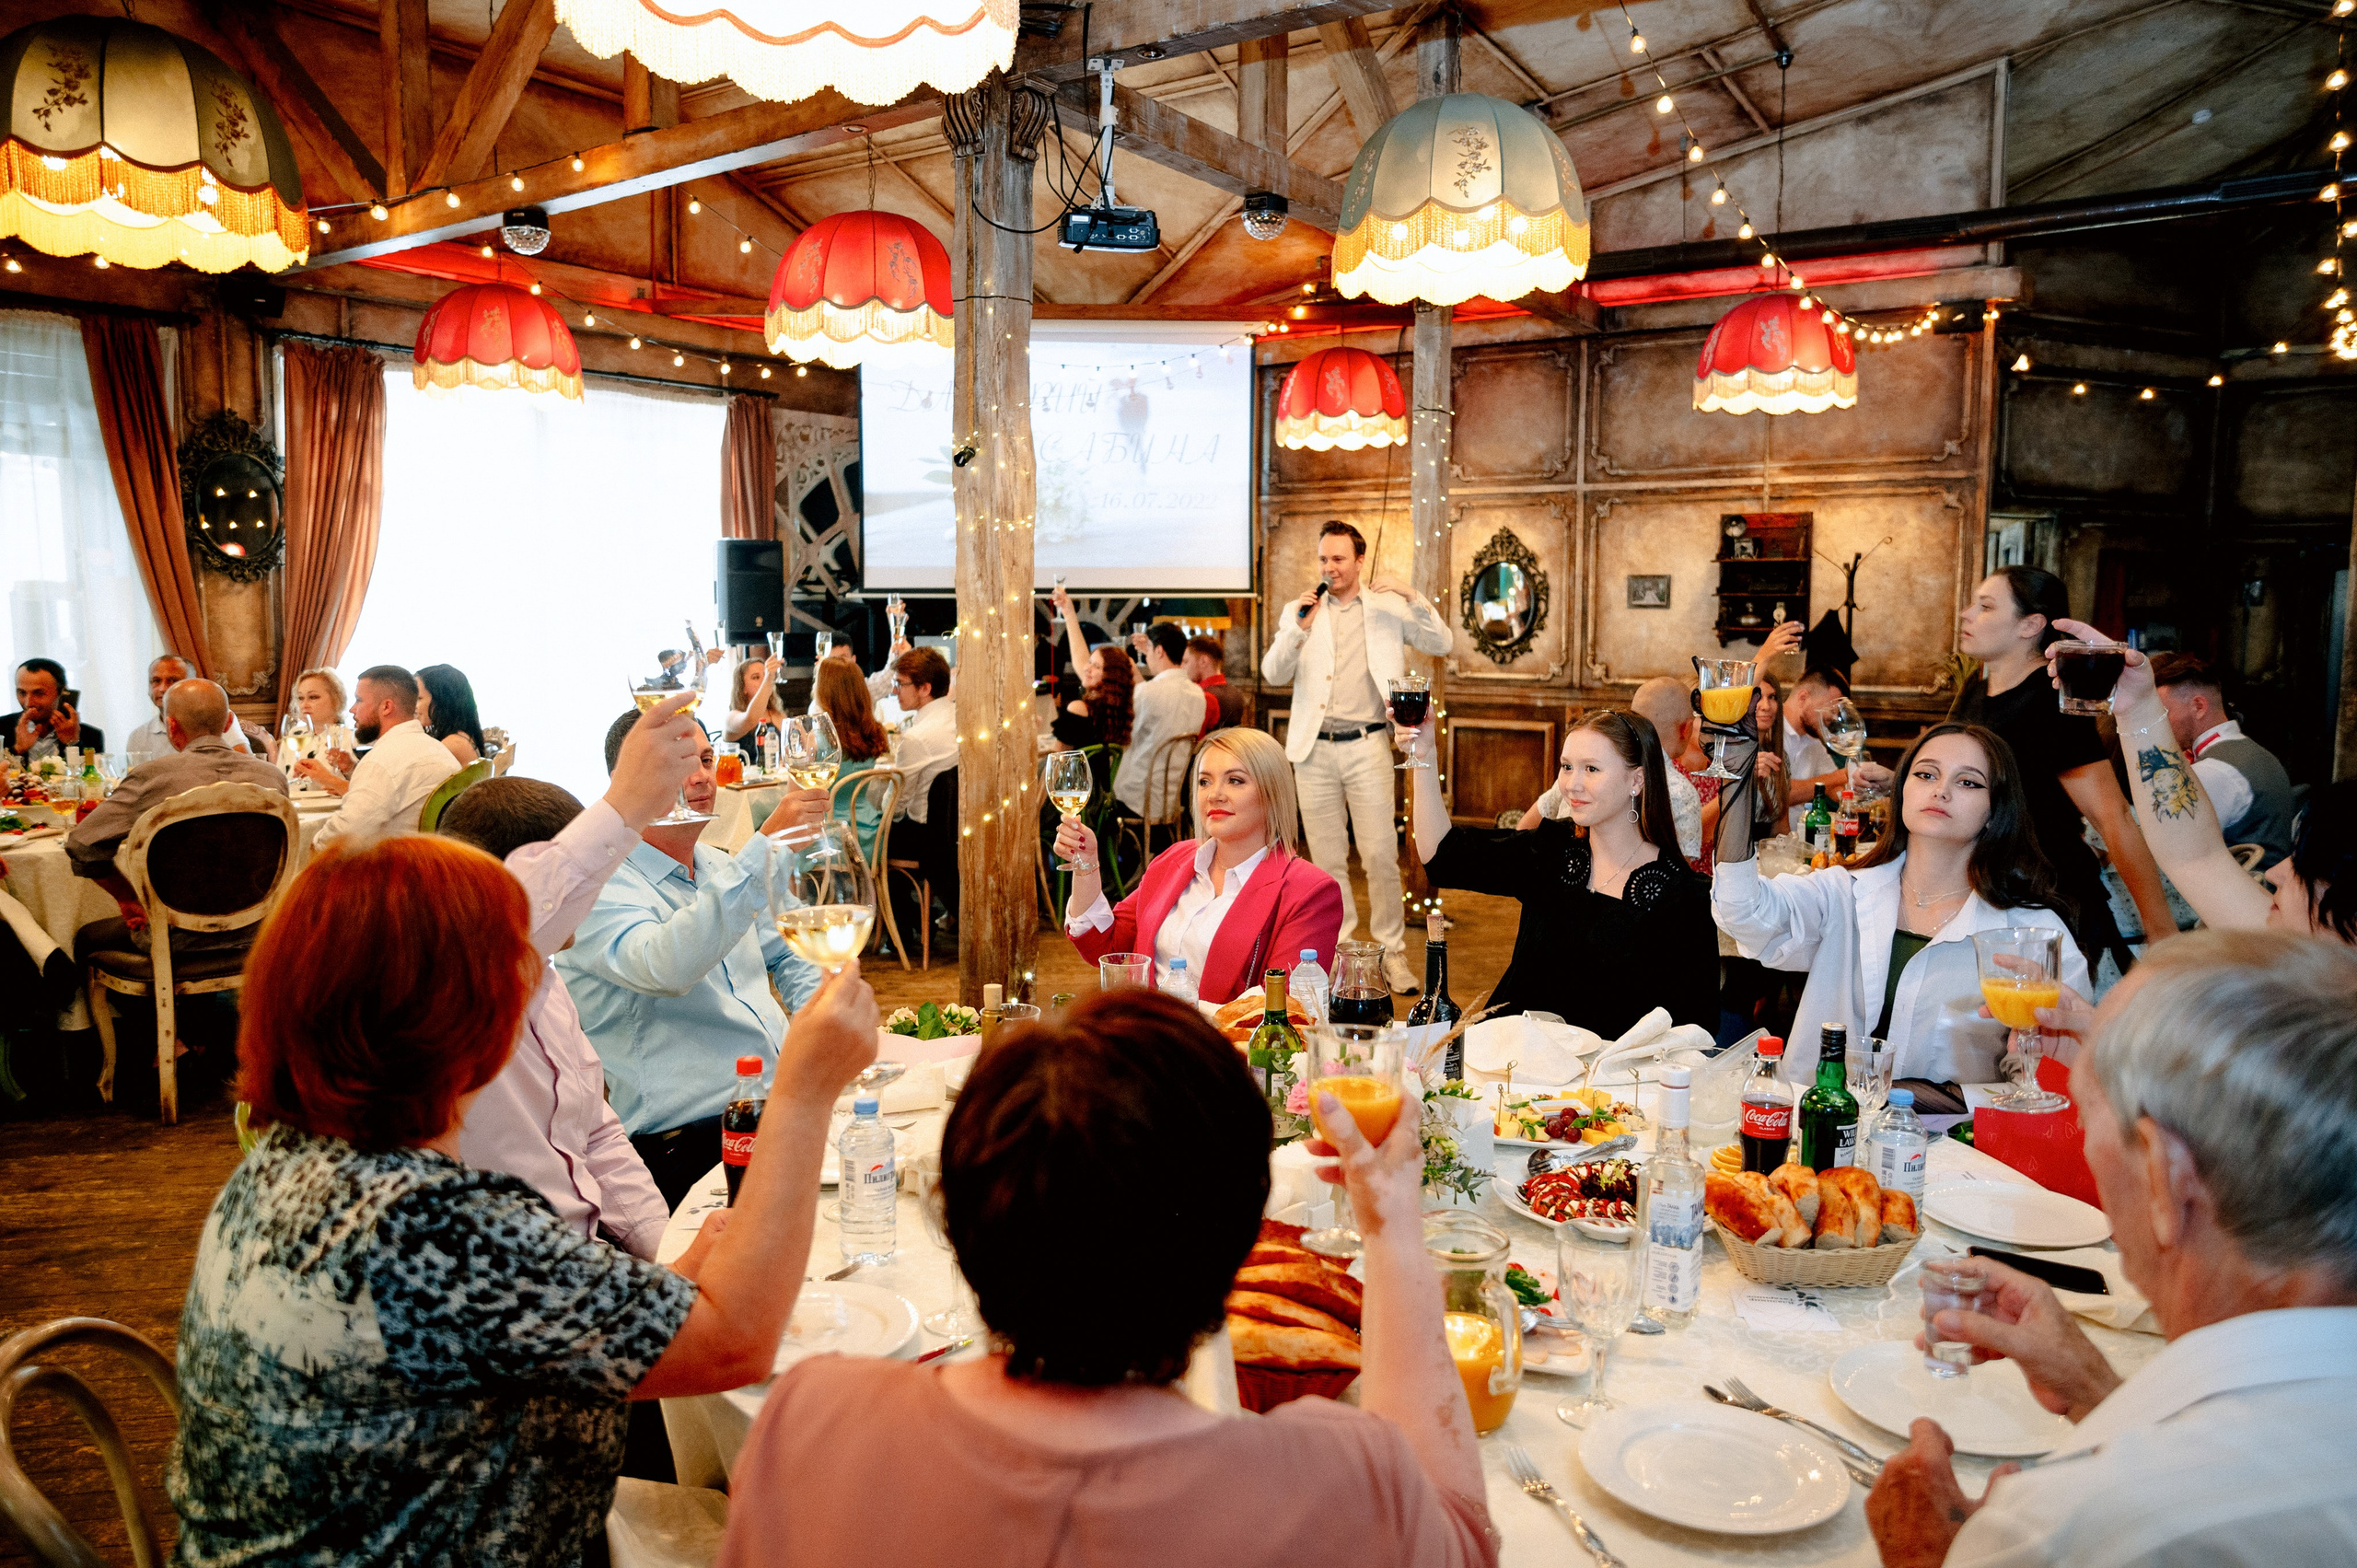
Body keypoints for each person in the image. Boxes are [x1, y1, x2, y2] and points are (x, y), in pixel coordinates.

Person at [169, 830, 883, 1568]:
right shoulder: (430, 1227)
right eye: (517, 962)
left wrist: (662, 1290)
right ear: (460, 1013)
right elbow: (736, 1342)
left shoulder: (287, 1167)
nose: (537, 982)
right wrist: (803, 1091)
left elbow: (492, 1342)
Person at [715, 990, 1497, 1568]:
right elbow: (1463, 1532)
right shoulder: (1345, 1485)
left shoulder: (808, 1425)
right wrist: (1391, 1220)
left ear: (960, 1224)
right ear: (1238, 1239)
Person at [1865, 928, 2357, 1568]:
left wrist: (1929, 1555)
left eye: (2087, 1113)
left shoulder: (2077, 1524)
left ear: (2165, 1175)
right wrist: (2099, 1390)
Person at [438, 715, 702, 1260]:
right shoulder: (446, 992)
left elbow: (598, 1138)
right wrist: (627, 801)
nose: (595, 894)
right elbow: (540, 891)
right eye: (590, 881)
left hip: (591, 1255)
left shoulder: (549, 984)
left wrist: (670, 1258)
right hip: (498, 1266)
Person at [1711, 718, 2092, 1087]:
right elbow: (1743, 910)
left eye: (1968, 782)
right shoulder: (1843, 893)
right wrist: (1735, 781)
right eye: (1926, 775)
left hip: (1957, 1145)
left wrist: (1964, 1097)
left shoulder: (2031, 932)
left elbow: (2047, 1080)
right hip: (1821, 1135)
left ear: (1995, 811)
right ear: (1902, 791)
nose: (1941, 791)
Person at [555, 712, 829, 1209]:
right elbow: (666, 965)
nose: (703, 775)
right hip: (687, 1143)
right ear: (629, 781)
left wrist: (822, 1030)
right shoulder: (597, 887)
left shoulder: (721, 865)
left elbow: (794, 955)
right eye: (683, 762)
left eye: (706, 758)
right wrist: (765, 849)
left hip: (779, 1106)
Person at [2044, 620, 2357, 945]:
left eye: (2306, 870)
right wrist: (2136, 706)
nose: (2276, 873)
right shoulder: (2305, 948)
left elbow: (2192, 853)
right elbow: (2195, 858)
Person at [1406, 709, 1717, 1035]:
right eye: (1567, 767)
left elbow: (1694, 1030)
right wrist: (1425, 754)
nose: (1573, 784)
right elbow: (1443, 857)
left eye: (1591, 769)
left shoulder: (1682, 896)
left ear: (1636, 780)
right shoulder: (1553, 850)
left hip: (1611, 1080)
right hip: (1512, 1063)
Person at [1260, 520, 1453, 993]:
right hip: (1312, 752)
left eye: (1339, 559)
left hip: (1368, 744)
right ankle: (1343, 956)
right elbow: (1272, 672)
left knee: (1381, 856)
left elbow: (1441, 642)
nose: (1330, 568)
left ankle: (1392, 956)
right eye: (1324, 559)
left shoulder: (1387, 607)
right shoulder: (1300, 610)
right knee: (1327, 862)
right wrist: (1297, 631)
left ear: (1360, 561)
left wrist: (1413, 594)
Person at [1950, 568, 2174, 969]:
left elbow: (2112, 816)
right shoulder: (1974, 691)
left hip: (2043, 897)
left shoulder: (2050, 699)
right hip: (1981, 887)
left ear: (2031, 625)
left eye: (1985, 607)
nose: (1966, 615)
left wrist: (2161, 930)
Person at [1059, 728, 1343, 1003]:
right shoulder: (1175, 860)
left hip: (1224, 1047)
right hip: (1144, 1038)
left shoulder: (1310, 892)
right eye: (1204, 781)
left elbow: (1285, 1010)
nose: (1214, 795)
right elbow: (1106, 946)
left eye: (1235, 781)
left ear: (1272, 793)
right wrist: (1087, 865)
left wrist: (1177, 1020)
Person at [65, 678, 288, 951]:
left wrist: (127, 898)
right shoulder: (271, 777)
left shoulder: (151, 777)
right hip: (259, 931)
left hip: (174, 939)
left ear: (171, 726)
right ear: (229, 722)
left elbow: (81, 844)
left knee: (88, 938)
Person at [1515, 680, 1707, 867]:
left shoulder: (1581, 770)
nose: (1574, 785)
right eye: (1565, 766)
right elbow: (1679, 880)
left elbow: (1525, 828)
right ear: (1686, 728)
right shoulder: (1679, 791)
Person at [2145, 652, 2296, 870]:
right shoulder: (2257, 753)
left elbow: (2169, 848)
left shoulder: (2215, 771)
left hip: (2245, 895)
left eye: (2162, 713)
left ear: (2199, 706)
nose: (2156, 724)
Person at [307, 665, 461, 851]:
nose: (352, 710)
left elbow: (346, 832)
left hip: (393, 869)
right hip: (435, 862)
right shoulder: (436, 749)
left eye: (359, 700)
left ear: (386, 707)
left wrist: (313, 846)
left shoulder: (383, 760)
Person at [884, 645, 960, 936]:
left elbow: (898, 803)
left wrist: (881, 802)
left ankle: (902, 932)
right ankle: (918, 920)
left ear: (925, 688)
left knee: (874, 844)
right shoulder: (960, 719)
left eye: (900, 684)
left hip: (930, 837)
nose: (895, 692)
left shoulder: (917, 737)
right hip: (958, 830)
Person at [1115, 623, 1208, 819]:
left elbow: (1123, 736)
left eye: (1148, 649)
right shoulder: (1198, 694)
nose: (1146, 655)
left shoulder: (1147, 693)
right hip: (1170, 801)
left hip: (1135, 799)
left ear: (1159, 651)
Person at [813, 657, 892, 863]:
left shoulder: (818, 738)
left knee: (784, 845)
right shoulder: (873, 731)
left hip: (831, 837)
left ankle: (799, 896)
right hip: (869, 833)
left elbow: (795, 798)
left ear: (824, 692)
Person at [1046, 585, 1136, 751]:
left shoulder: (1079, 709)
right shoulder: (1119, 716)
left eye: (1096, 666)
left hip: (1076, 777)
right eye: (1090, 662)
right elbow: (1080, 662)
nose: (1087, 668)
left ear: (1110, 676)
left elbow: (1057, 764)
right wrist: (1069, 614)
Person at [6, 658, 102, 763]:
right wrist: (17, 749)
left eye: (39, 693)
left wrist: (72, 744)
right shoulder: (2, 728)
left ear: (62, 692)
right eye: (22, 693)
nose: (28, 703)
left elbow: (93, 777)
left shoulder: (91, 736)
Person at [416, 663, 488, 766]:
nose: (414, 706)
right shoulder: (460, 735)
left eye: (419, 698)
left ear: (441, 701)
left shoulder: (452, 744)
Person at [726, 654, 787, 749]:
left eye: (765, 675)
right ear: (742, 688)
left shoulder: (779, 716)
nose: (764, 680)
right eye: (756, 677)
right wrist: (767, 680)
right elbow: (751, 719)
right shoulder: (731, 717)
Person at [1184, 633, 1243, 733]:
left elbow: (1194, 740)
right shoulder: (1235, 692)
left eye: (1186, 662)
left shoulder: (1205, 697)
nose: (1182, 667)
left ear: (1203, 661)